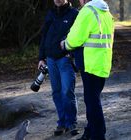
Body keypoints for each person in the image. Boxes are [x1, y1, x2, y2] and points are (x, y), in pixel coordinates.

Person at [61, 0, 115, 140]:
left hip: (90, 64)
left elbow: (76, 38)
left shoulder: (87, 11)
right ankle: (90, 132)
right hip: (102, 63)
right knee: (92, 99)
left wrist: (65, 44)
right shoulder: (106, 12)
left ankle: (98, 135)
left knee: (92, 102)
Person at [38, 0, 79, 136]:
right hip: (50, 59)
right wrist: (41, 58)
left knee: (67, 91)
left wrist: (71, 54)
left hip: (65, 60)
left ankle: (71, 123)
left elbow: (80, 37)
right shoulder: (50, 13)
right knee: (56, 92)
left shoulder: (74, 14)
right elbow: (44, 36)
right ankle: (62, 122)